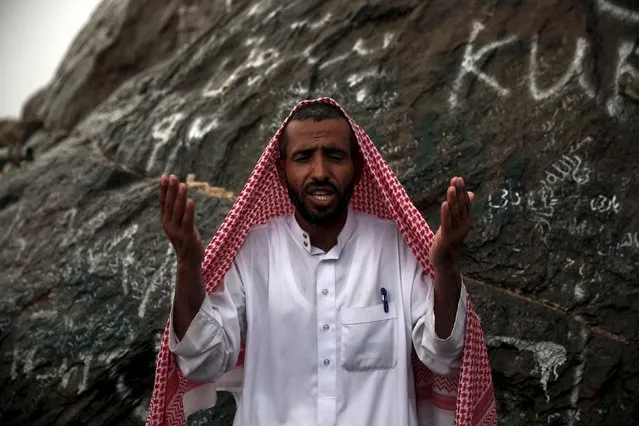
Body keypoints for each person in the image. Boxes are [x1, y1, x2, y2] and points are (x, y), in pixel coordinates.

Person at [149, 98, 496, 426]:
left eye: (334, 156)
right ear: (282, 170)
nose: (319, 171)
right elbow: (202, 362)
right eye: (303, 157)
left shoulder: (395, 245)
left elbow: (444, 356)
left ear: (357, 167)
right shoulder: (255, 251)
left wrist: (448, 264)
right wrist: (187, 265)